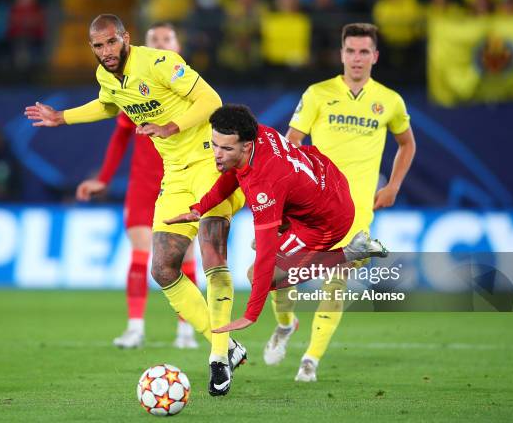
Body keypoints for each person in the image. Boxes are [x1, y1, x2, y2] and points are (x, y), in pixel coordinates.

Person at [24, 14, 247, 397]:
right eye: (98, 46)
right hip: (176, 175)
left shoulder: (160, 63)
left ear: (125, 38)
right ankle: (225, 343)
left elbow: (212, 100)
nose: (106, 52)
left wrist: (171, 127)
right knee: (162, 268)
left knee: (212, 255)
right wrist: (62, 117)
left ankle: (217, 359)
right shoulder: (106, 77)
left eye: (111, 42)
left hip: (212, 164)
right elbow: (108, 105)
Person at [265, 22, 416, 382]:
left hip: (357, 212)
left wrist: (393, 185)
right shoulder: (318, 93)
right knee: (276, 276)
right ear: (341, 54)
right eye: (351, 51)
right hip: (312, 206)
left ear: (375, 56)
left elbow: (407, 143)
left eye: (364, 51)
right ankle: (285, 325)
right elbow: (292, 141)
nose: (357, 58)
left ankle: (311, 360)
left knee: (336, 281)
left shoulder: (389, 101)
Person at [165, 104, 388, 332]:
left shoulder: (264, 185)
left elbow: (265, 256)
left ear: (246, 146)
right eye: (214, 145)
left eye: (226, 149)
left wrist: (250, 315)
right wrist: (199, 208)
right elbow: (233, 173)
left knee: (258, 274)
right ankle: (290, 237)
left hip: (326, 220)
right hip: (327, 179)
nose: (217, 154)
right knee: (264, 240)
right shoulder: (257, 132)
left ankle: (351, 252)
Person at [75, 22, 199, 350]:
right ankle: (135, 327)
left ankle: (186, 330)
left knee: (184, 256)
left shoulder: (187, 86)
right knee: (141, 253)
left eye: (166, 40)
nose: (160, 44)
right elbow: (119, 136)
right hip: (144, 183)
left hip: (183, 179)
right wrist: (103, 178)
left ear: (177, 45)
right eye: (154, 40)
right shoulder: (132, 84)